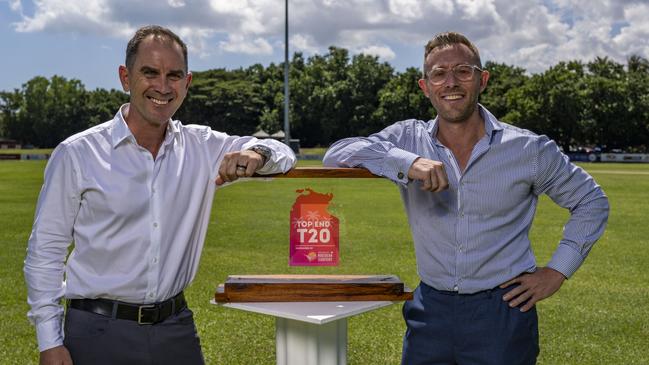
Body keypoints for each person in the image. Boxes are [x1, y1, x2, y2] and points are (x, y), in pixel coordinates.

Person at [323, 31, 609, 364]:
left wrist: (558, 271)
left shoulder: (529, 149)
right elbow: (338, 153)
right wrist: (407, 162)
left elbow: (591, 202)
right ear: (425, 86)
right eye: (439, 74)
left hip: (504, 311)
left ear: (482, 79)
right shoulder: (406, 139)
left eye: (463, 71)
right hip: (430, 310)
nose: (451, 82)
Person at [24, 25, 296, 365]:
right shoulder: (77, 153)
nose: (163, 87)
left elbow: (281, 152)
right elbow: (44, 252)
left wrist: (257, 154)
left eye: (174, 75)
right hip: (96, 333)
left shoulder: (202, 146)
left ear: (187, 83)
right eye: (149, 73)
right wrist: (49, 342)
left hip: (175, 330)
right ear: (125, 77)